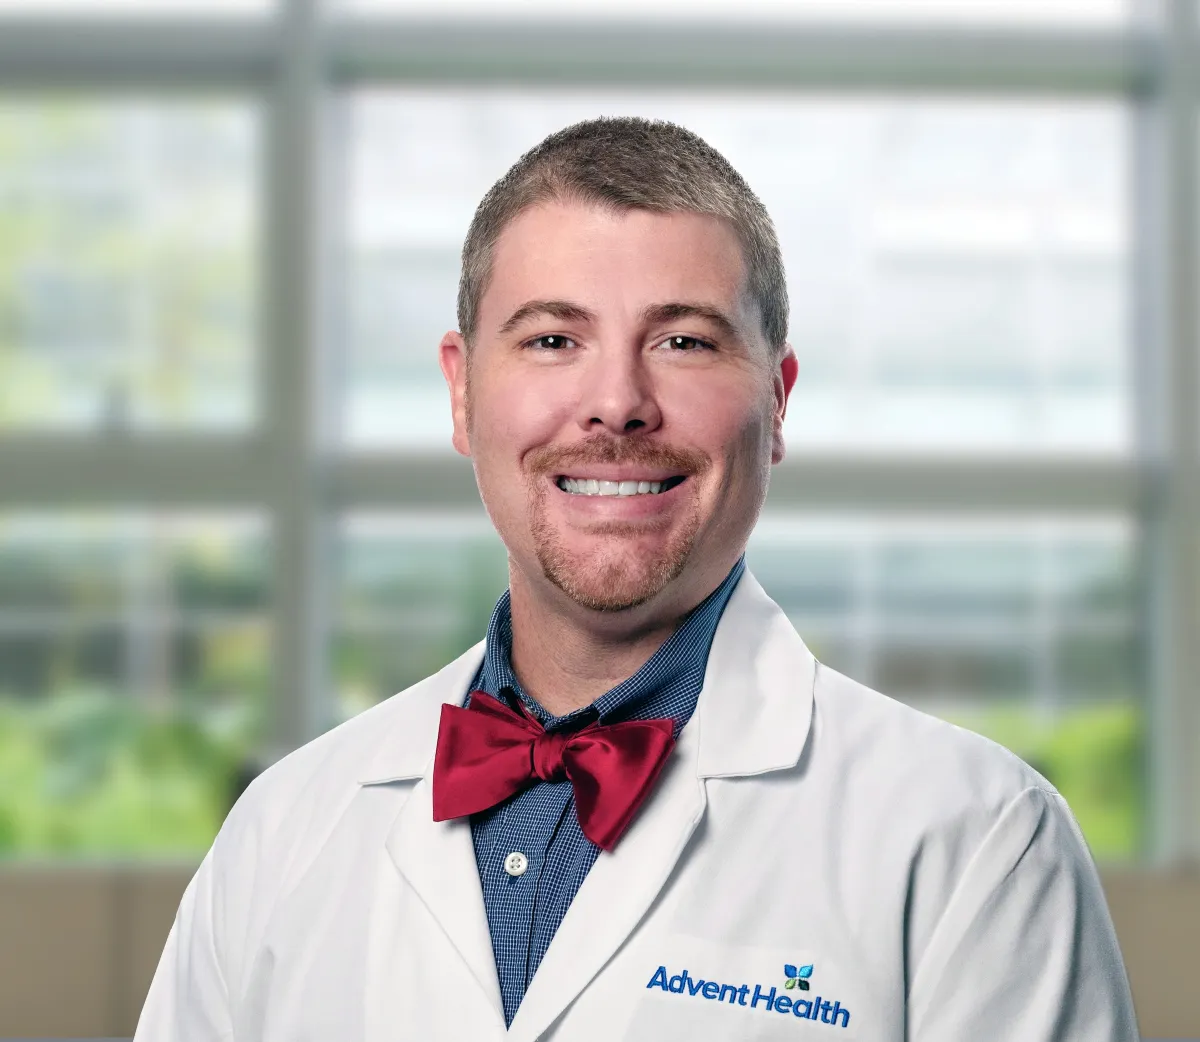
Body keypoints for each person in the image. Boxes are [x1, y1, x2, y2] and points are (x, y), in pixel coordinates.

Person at [134, 117, 1139, 1041]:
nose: (616, 403)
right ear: (460, 389)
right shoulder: (285, 828)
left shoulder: (974, 840)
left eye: (685, 341)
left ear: (778, 402)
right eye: (552, 340)